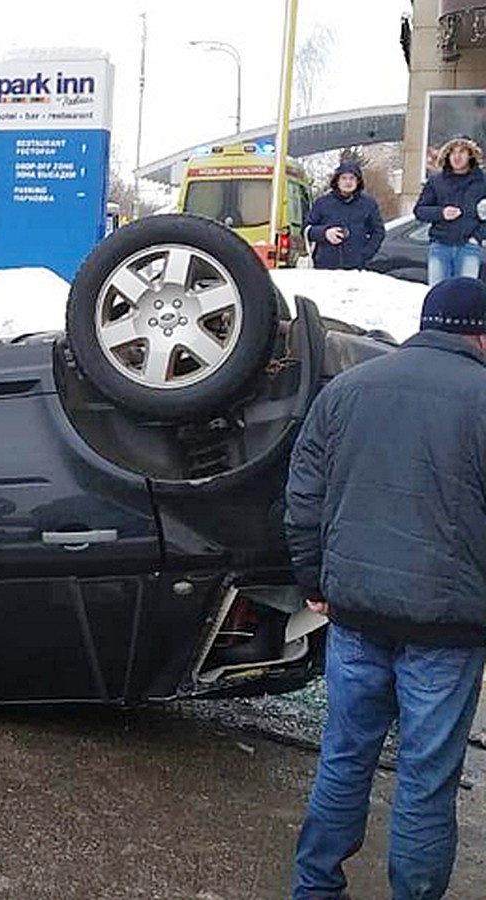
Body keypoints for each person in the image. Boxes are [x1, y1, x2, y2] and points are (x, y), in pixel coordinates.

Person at [286, 276, 486, 900]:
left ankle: (316, 888)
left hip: (355, 613)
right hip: (449, 627)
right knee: (426, 778)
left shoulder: (348, 388)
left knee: (344, 759)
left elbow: (303, 496)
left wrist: (315, 580)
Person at [413, 136, 486, 284]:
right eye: (452, 152)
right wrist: (441, 213)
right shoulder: (436, 181)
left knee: (465, 295)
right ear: (447, 155)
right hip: (440, 247)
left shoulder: (482, 182)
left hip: (469, 248)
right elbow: (419, 211)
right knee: (438, 295)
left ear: (470, 154)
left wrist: (477, 237)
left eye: (462, 152)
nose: (457, 156)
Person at [304, 160, 385, 270]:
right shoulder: (322, 203)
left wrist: (365, 255)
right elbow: (306, 230)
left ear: (358, 181)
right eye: (344, 178)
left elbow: (378, 232)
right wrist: (324, 233)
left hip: (356, 268)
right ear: (337, 181)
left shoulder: (368, 204)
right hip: (325, 267)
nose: (348, 182)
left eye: (352, 178)